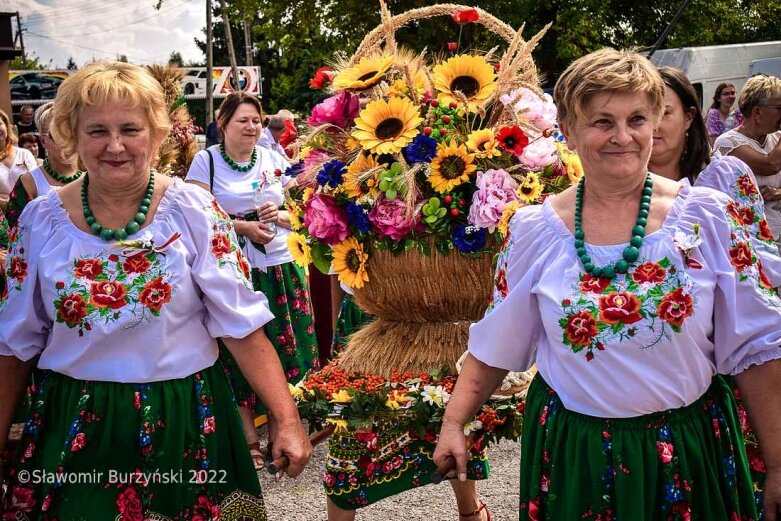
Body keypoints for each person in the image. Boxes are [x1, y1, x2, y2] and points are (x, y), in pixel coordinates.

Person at [433, 48, 781, 520]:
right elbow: (498, 341)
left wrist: (778, 464)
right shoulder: (535, 230)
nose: (624, 136)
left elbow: (759, 349)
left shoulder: (708, 217)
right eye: (602, 121)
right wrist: (454, 422)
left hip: (687, 448)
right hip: (577, 454)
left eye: (637, 118)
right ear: (570, 132)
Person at [0, 61, 312, 519]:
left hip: (185, 417)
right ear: (71, 134)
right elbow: (14, 346)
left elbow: (241, 327)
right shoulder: (40, 220)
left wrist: (287, 420)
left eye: (130, 128)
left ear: (156, 133)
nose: (115, 145)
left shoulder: (194, 210)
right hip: (76, 421)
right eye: (97, 131)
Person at [185, 91, 319, 469]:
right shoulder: (205, 161)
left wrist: (279, 216)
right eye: (243, 120)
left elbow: (305, 211)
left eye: (256, 120)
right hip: (232, 268)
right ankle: (247, 437)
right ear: (223, 124)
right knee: (236, 348)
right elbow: (196, 217)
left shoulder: (275, 159)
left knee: (285, 345)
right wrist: (242, 225)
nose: (251, 126)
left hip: (279, 264)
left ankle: (281, 428)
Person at [713, 74, 781, 248]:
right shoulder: (729, 143)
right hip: (749, 240)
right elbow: (770, 164)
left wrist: (777, 193)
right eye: (780, 108)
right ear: (758, 111)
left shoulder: (776, 139)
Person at [5, 102, 83, 229]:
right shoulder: (29, 182)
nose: (67, 142)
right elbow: (15, 231)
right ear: (43, 141)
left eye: (72, 134)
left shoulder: (94, 175)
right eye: (58, 136)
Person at [648, 66, 710, 183]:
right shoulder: (614, 184)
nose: (653, 126)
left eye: (664, 113)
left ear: (688, 118)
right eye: (640, 116)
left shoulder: (723, 178)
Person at [0, 109, 38, 201]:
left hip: (29, 209)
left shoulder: (24, 154)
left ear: (6, 126)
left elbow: (36, 183)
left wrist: (7, 198)